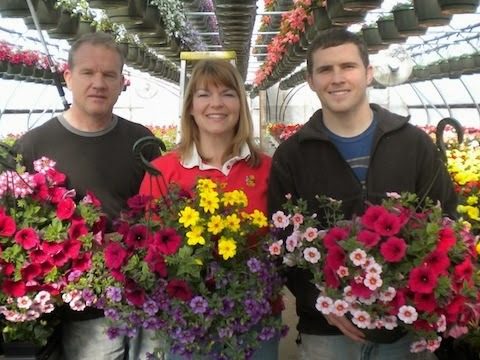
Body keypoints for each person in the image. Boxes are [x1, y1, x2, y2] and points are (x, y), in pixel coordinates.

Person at [267, 28, 457, 360]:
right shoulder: (292, 155)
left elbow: (446, 220)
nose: (337, 78)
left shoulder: (412, 143)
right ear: (311, 80)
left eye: (348, 67)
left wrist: (415, 294)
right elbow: (282, 240)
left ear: (368, 74)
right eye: (325, 70)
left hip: (403, 329)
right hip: (326, 331)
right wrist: (321, 302)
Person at [14, 32, 160, 360]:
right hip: (82, 311)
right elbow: (17, 226)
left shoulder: (142, 141)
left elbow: (163, 213)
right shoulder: (35, 145)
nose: (99, 83)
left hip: (145, 299)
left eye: (109, 75)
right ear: (68, 77)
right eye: (88, 73)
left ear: (122, 82)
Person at [139, 59, 278, 359]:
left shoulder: (268, 169)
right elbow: (150, 250)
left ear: (240, 104)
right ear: (190, 107)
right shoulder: (162, 171)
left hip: (254, 318)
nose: (216, 103)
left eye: (227, 93)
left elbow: (283, 245)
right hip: (188, 321)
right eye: (204, 94)